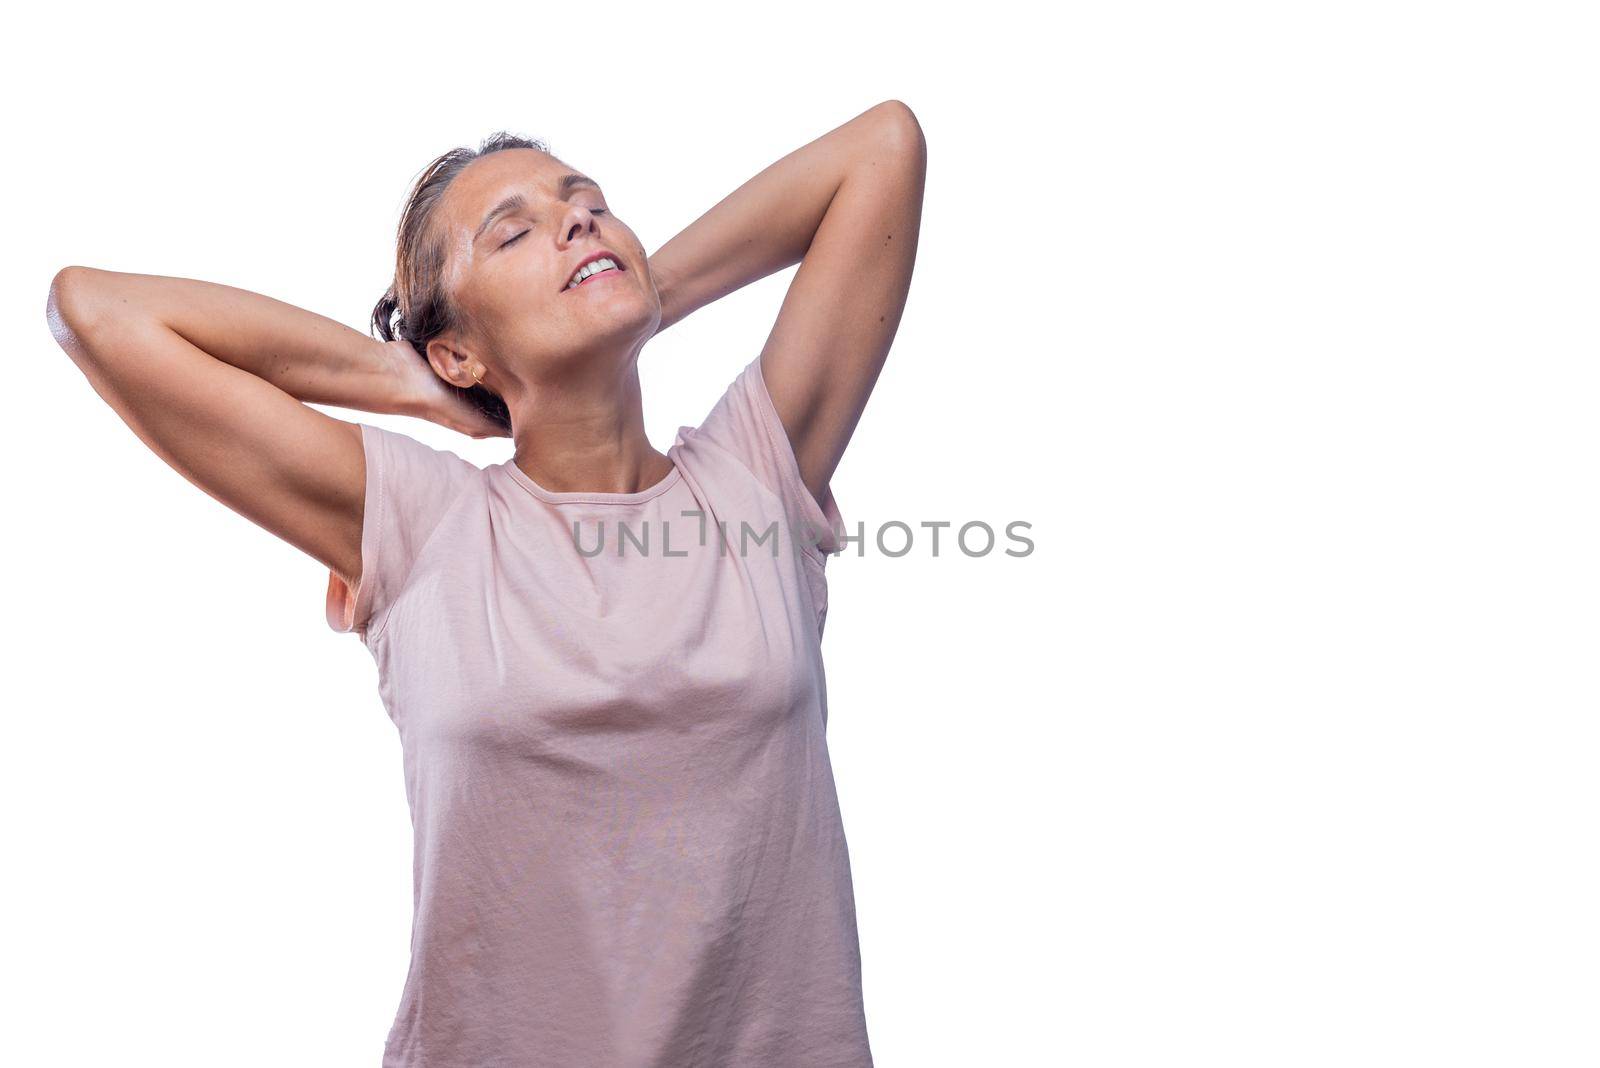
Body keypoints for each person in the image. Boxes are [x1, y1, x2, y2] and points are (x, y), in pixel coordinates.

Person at [46, 99, 925, 1067]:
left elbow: (881, 150)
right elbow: (95, 311)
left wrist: (631, 286)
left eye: (587, 204)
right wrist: (416, 384)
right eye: (513, 233)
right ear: (456, 349)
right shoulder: (426, 526)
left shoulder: (754, 480)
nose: (575, 220)